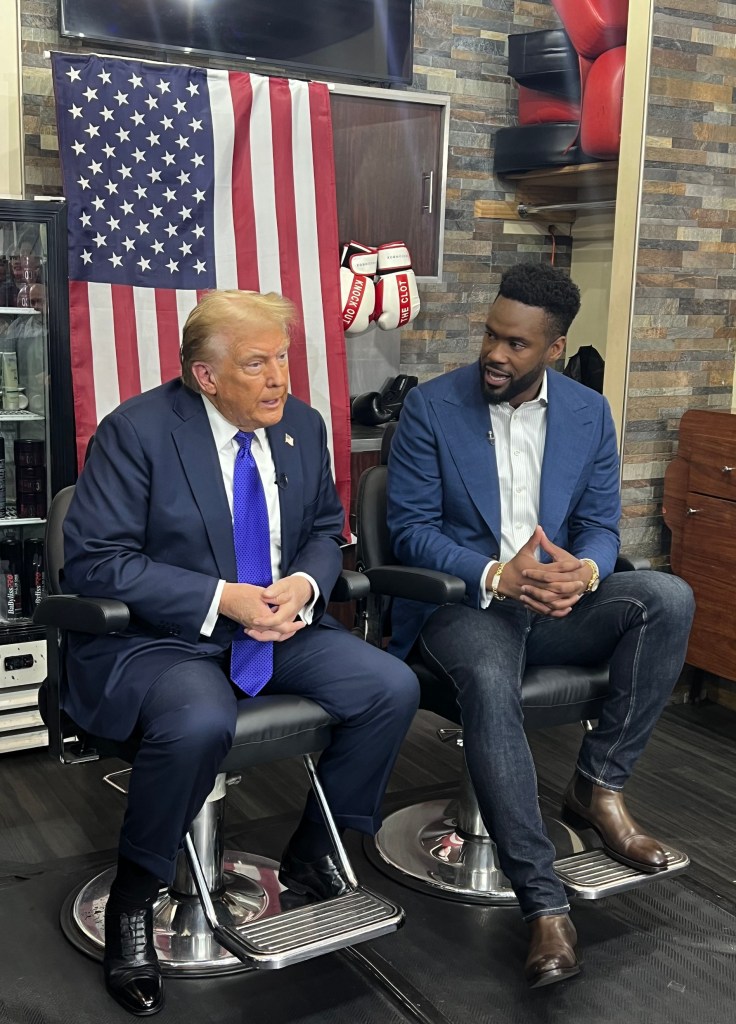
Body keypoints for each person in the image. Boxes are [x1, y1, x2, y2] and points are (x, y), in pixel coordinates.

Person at [62, 289, 419, 1016]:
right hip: (161, 638)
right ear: (206, 376)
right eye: (256, 363)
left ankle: (318, 849)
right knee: (199, 722)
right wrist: (222, 597)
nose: (279, 378)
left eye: (282, 358)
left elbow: (325, 528)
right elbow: (95, 563)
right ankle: (136, 898)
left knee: (390, 687)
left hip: (277, 627)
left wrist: (301, 584)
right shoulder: (137, 432)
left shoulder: (302, 427)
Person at [385, 262, 695, 989]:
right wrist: (498, 574)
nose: (496, 353)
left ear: (553, 348)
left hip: (555, 602)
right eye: (491, 335)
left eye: (517, 344)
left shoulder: (588, 413)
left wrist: (582, 573)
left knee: (668, 596)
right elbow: (409, 533)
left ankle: (599, 786)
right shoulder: (432, 408)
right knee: (491, 679)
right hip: (468, 605)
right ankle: (543, 901)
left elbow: (595, 523)